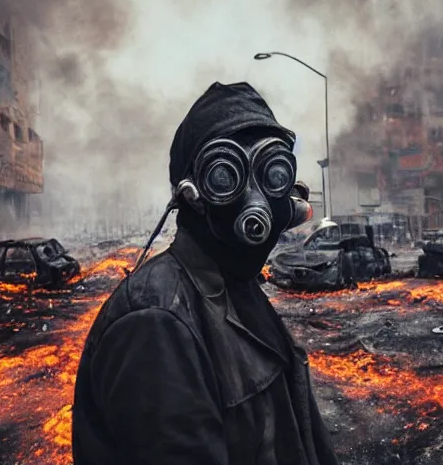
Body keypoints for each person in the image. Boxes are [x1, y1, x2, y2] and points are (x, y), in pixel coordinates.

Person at [72, 82, 339, 465]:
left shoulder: (233, 285)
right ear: (192, 195)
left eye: (271, 173)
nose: (257, 200)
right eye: (226, 176)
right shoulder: (154, 324)